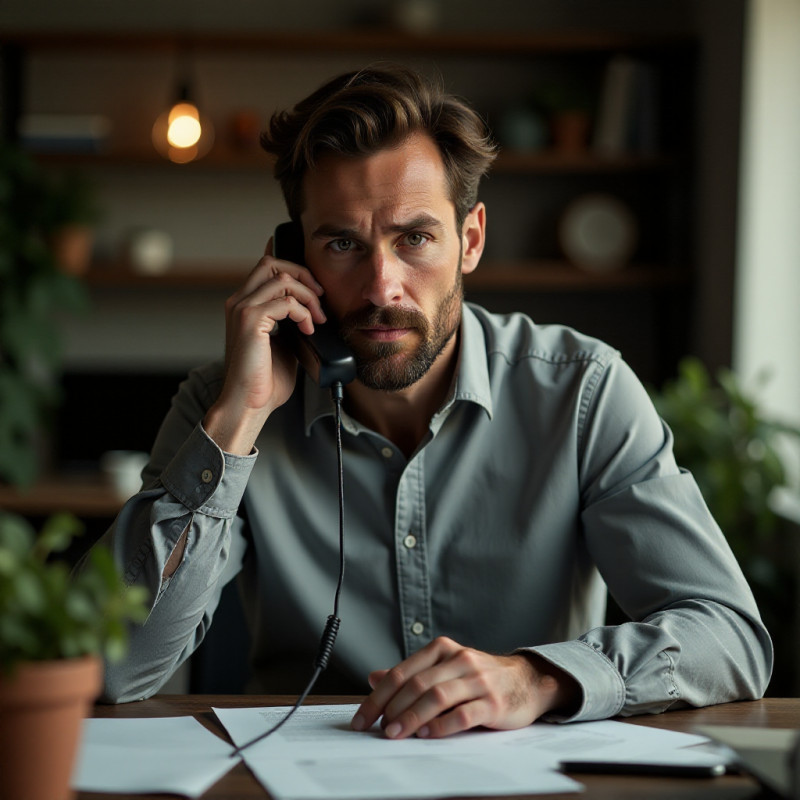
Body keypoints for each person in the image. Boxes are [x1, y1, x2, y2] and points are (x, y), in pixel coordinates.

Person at [90, 65, 772, 739]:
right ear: (292, 257)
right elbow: (111, 666)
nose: (382, 285)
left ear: (469, 239)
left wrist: (536, 678)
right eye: (342, 243)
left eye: (413, 238)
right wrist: (239, 419)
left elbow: (730, 638)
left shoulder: (583, 392)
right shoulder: (225, 403)